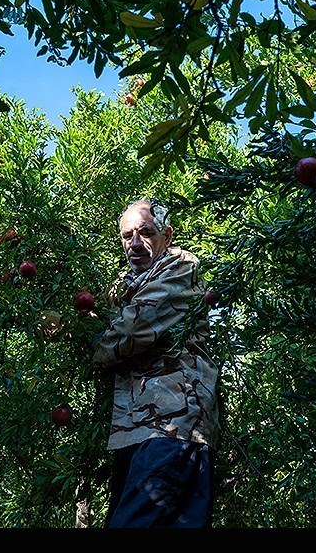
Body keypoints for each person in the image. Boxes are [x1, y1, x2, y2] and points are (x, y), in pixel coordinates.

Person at [92, 198, 220, 528]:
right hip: (138, 432)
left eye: (145, 232)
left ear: (167, 235)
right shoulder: (125, 286)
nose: (134, 243)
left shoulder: (179, 268)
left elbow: (131, 330)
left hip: (172, 427)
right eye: (126, 236)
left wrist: (91, 348)